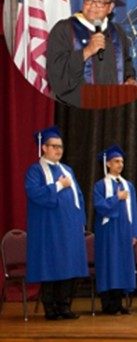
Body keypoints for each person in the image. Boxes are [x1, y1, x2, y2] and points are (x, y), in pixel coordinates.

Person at [24, 126, 87, 320]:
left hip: (70, 228)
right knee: (51, 266)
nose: (59, 150)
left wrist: (81, 222)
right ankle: (50, 308)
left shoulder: (67, 170)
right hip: (49, 229)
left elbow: (79, 198)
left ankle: (64, 306)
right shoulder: (35, 171)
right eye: (54, 146)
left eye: (60, 146)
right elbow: (35, 194)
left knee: (69, 267)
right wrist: (59, 185)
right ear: (44, 148)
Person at [46, 0, 137, 107]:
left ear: (110, 7)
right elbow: (56, 72)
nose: (93, 6)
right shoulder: (64, 29)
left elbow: (127, 62)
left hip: (113, 105)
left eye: (100, 2)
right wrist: (86, 51)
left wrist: (130, 79)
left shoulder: (117, 32)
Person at [93, 145, 137, 315]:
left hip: (124, 230)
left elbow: (133, 210)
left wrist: (135, 232)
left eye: (122, 161)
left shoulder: (128, 186)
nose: (120, 164)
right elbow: (100, 207)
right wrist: (116, 198)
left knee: (122, 265)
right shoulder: (100, 186)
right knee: (109, 264)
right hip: (108, 231)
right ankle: (108, 304)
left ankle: (119, 302)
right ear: (108, 164)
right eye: (116, 161)